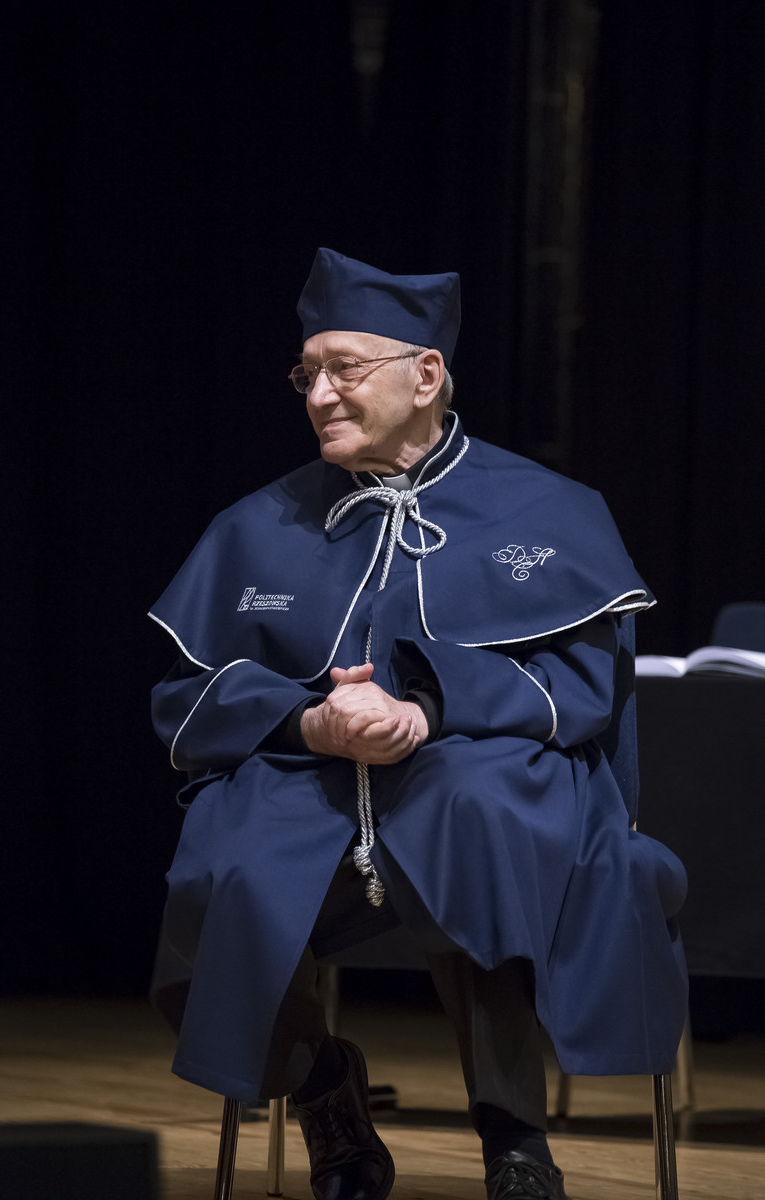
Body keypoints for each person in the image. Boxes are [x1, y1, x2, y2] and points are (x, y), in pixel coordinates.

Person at [149, 248, 688, 1200]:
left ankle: (516, 1140)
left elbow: (580, 688)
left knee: (476, 817)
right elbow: (183, 698)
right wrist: (308, 722)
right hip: (306, 785)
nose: (320, 394)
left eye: (344, 369)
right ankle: (325, 1089)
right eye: (307, 374)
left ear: (426, 374)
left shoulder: (547, 510)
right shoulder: (256, 526)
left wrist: (427, 708)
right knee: (225, 867)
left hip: (484, 780)